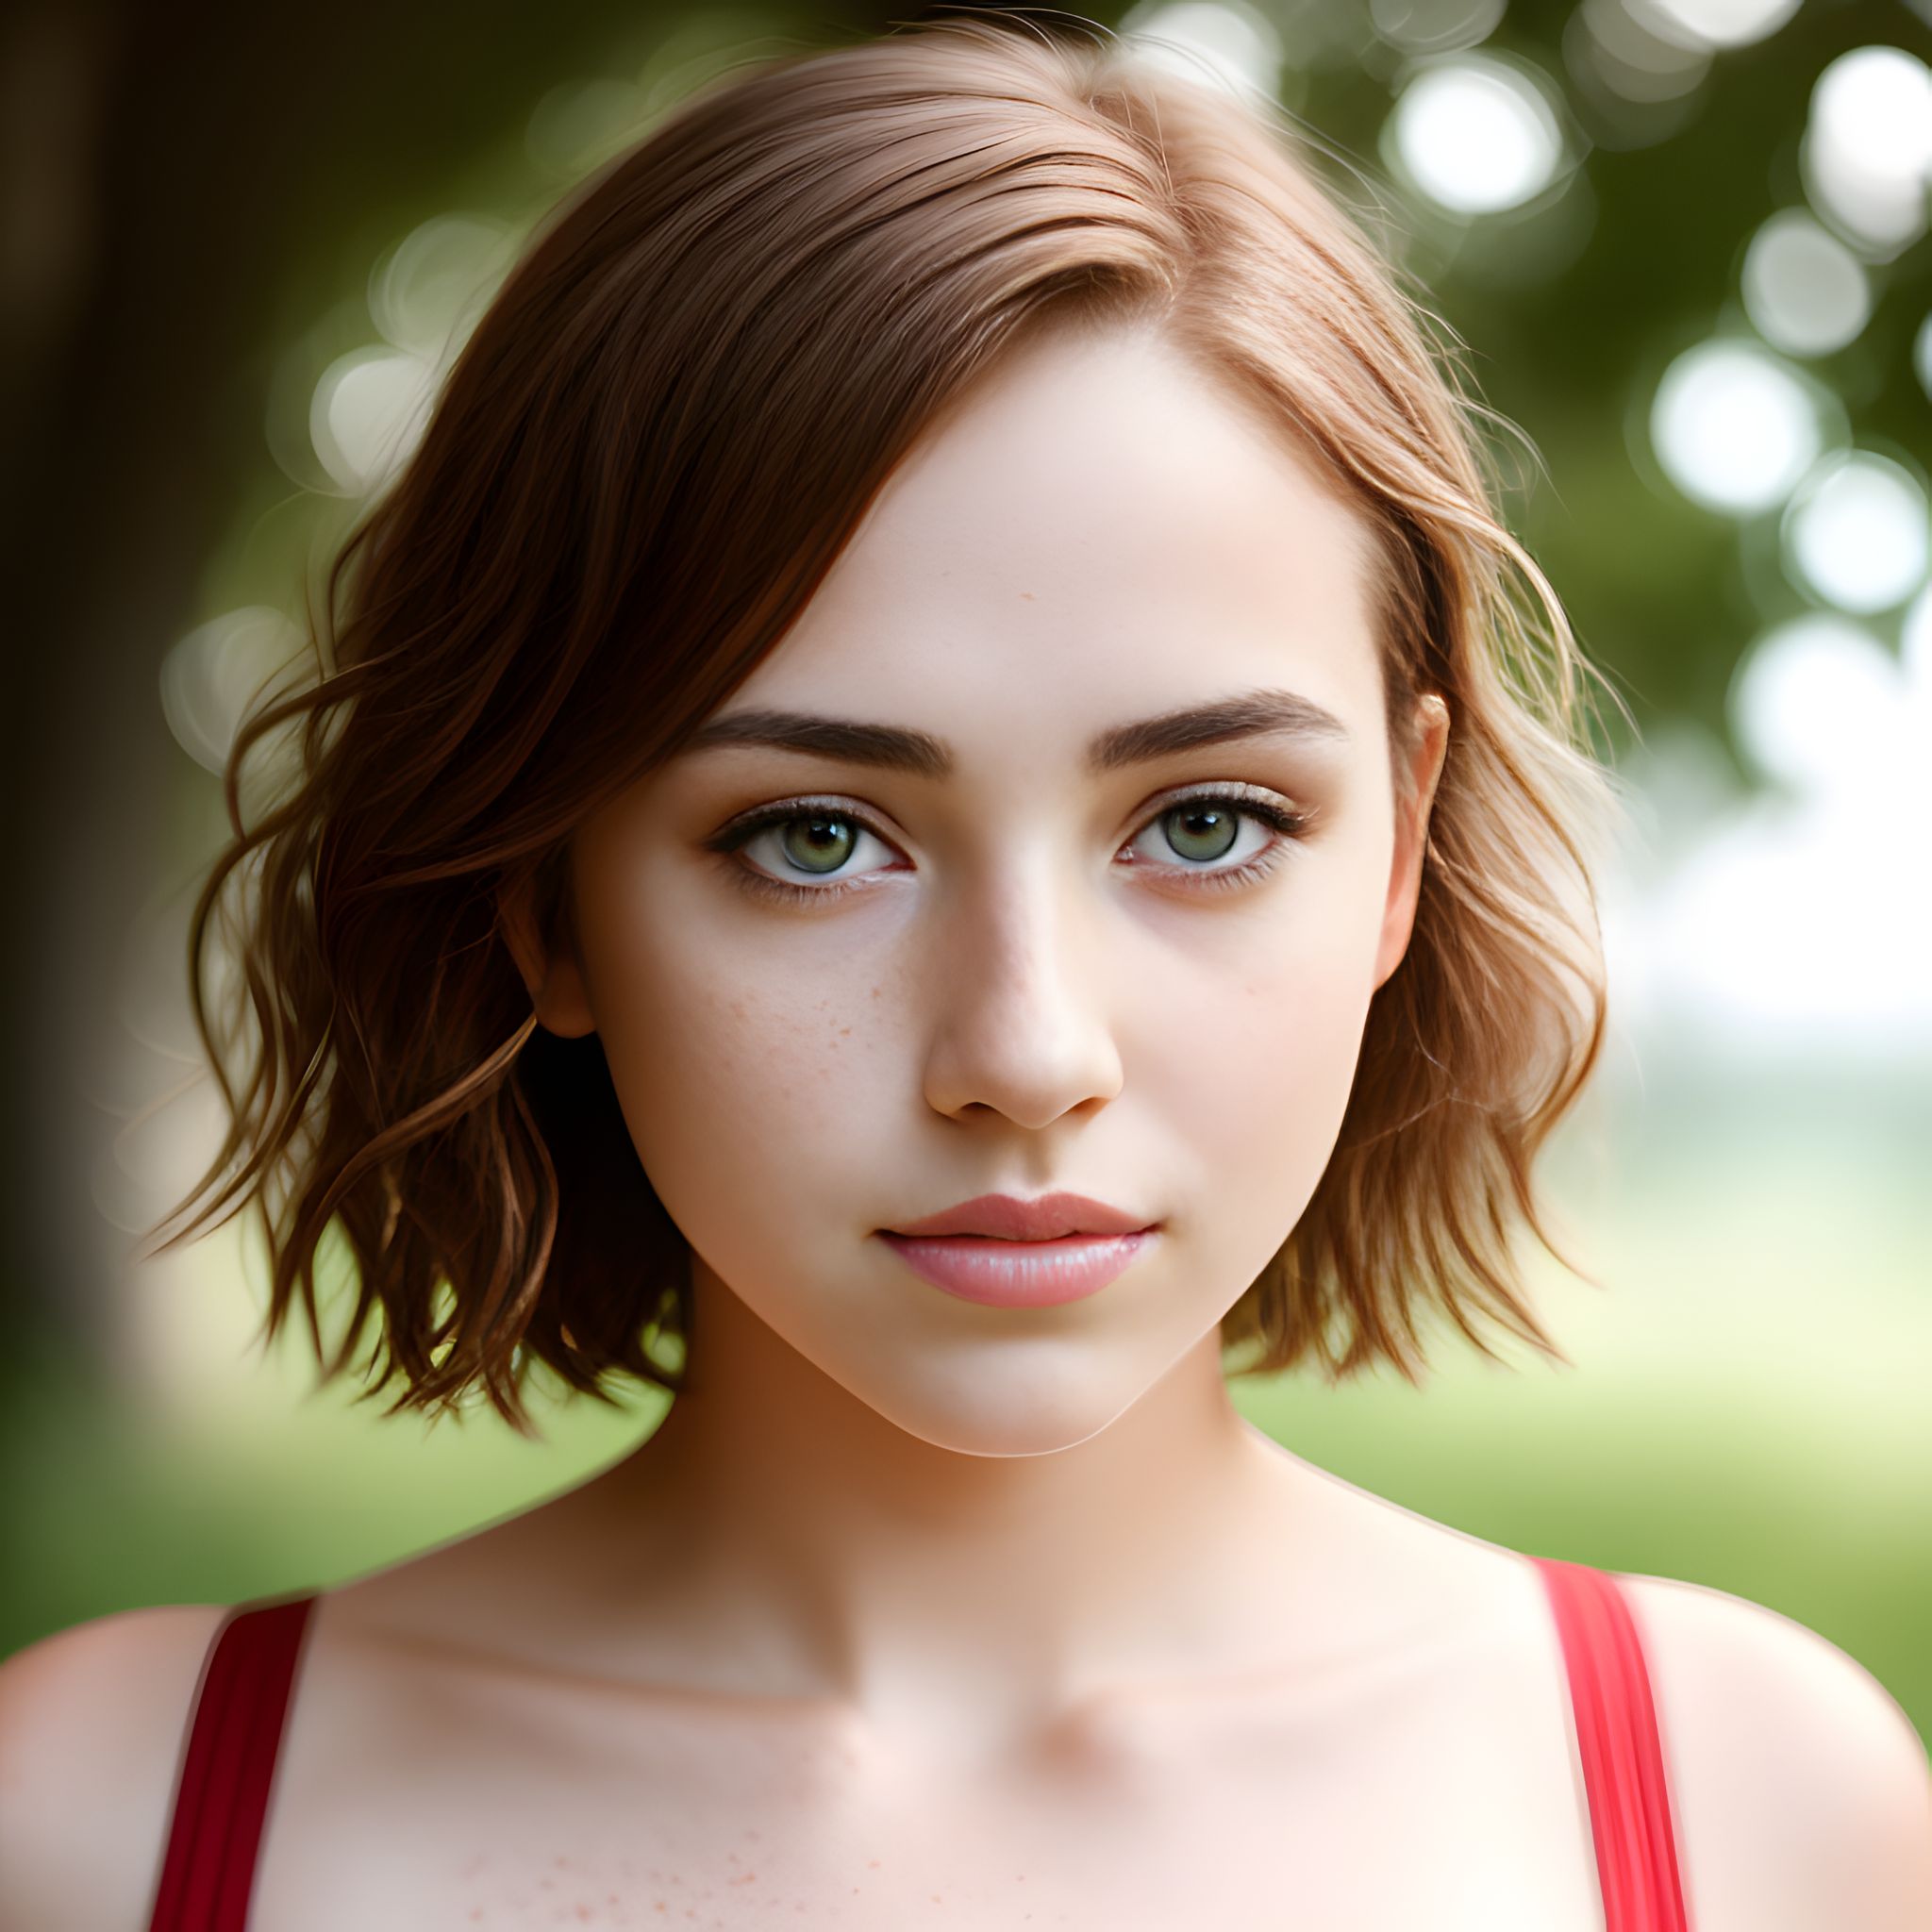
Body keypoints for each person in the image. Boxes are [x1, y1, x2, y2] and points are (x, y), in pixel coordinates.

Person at [3, 12, 1928, 1930]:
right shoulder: (90, 1827)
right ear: (545, 896)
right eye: (812, 837)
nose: (1026, 1050)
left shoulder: (1753, 1811)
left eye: (1207, 823)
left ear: (1399, 848)